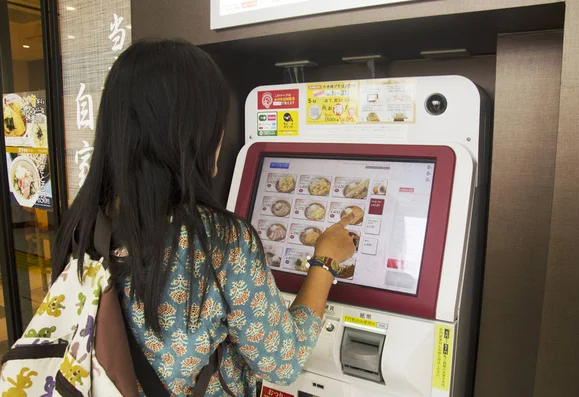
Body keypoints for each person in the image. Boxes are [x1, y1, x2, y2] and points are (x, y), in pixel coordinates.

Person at [51, 39, 356, 396]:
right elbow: (283, 360)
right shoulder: (218, 239)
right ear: (194, 134)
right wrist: (325, 260)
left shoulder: (83, 222)